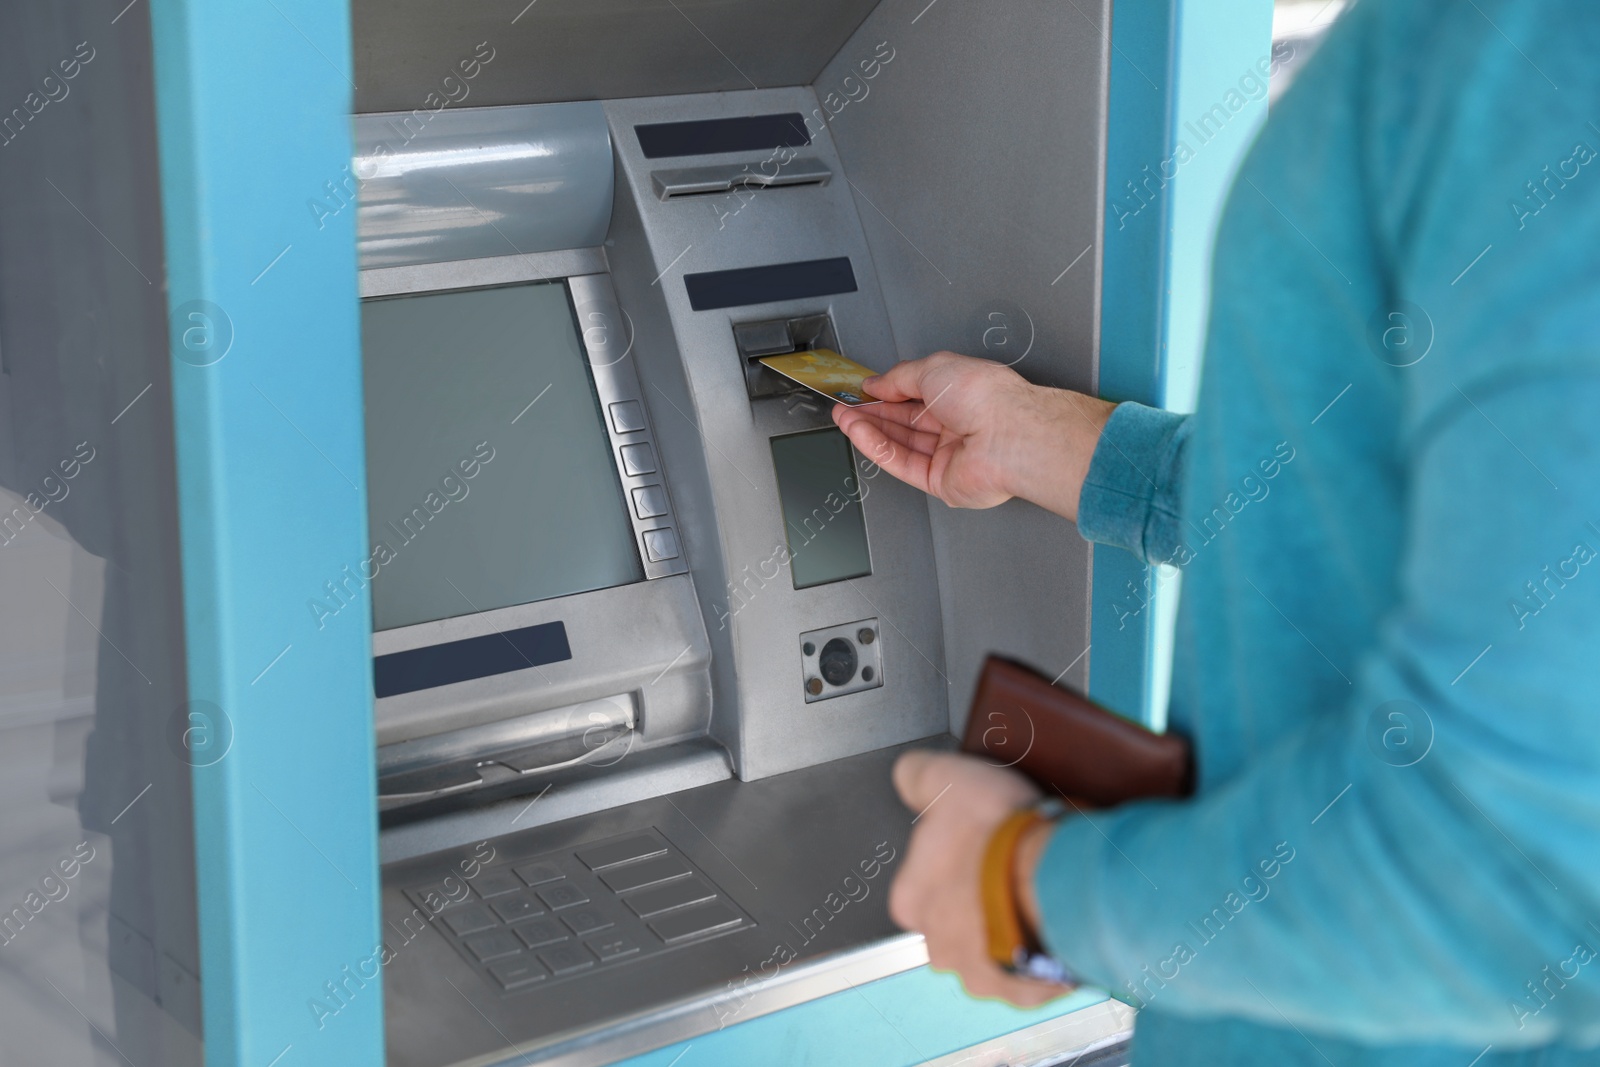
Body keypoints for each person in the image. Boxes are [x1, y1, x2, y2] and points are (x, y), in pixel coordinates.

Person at [832, 1, 1600, 1063]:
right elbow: (1412, 504)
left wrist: (1025, 884)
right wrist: (1065, 445)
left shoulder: (1532, 52)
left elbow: (1519, 883)